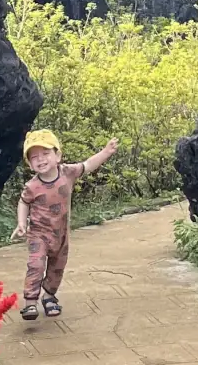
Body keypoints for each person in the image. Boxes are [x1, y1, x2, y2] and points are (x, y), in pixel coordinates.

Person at [12, 129, 119, 320]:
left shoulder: (67, 173)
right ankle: (30, 303)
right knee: (35, 264)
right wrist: (21, 223)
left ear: (57, 155)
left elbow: (88, 165)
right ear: (29, 163)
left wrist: (105, 152)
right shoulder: (32, 186)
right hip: (38, 234)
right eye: (34, 157)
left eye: (45, 154)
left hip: (61, 233)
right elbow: (23, 202)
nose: (41, 159)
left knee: (57, 266)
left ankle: (49, 297)